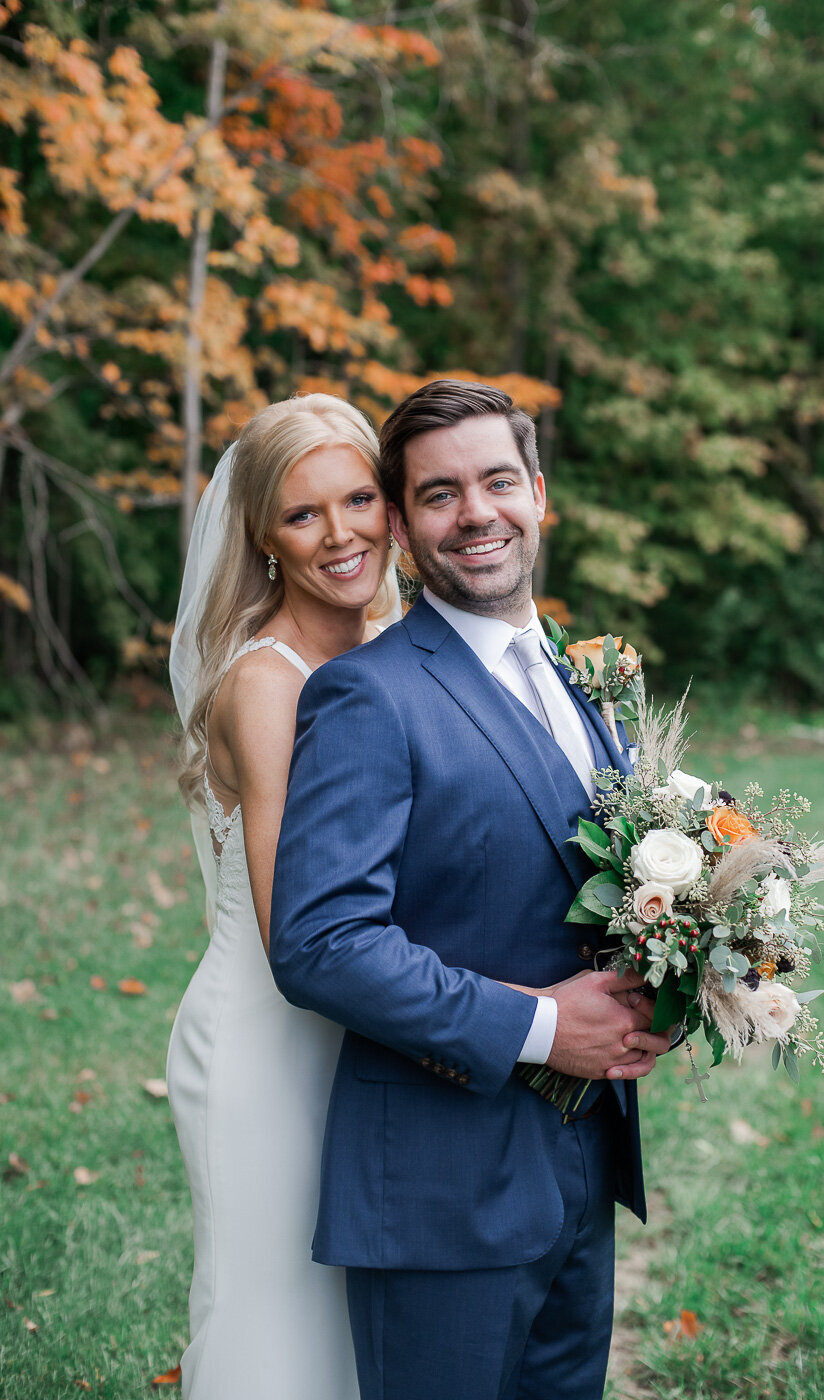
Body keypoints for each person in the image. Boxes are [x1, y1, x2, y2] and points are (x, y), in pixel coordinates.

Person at [269, 379, 676, 1400]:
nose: (477, 512)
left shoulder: (587, 677)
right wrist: (542, 1028)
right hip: (443, 1184)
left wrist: (666, 979)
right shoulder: (368, 693)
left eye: (498, 481)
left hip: (582, 1159)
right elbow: (321, 940)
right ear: (402, 526)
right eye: (441, 494)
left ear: (538, 494)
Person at [166, 393, 402, 1400]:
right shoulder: (267, 682)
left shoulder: (392, 642)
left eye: (360, 498)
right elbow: (293, 923)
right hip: (271, 1036)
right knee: (273, 1321)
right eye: (305, 514)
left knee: (358, 1321)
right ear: (262, 533)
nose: (342, 532)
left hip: (368, 1026)